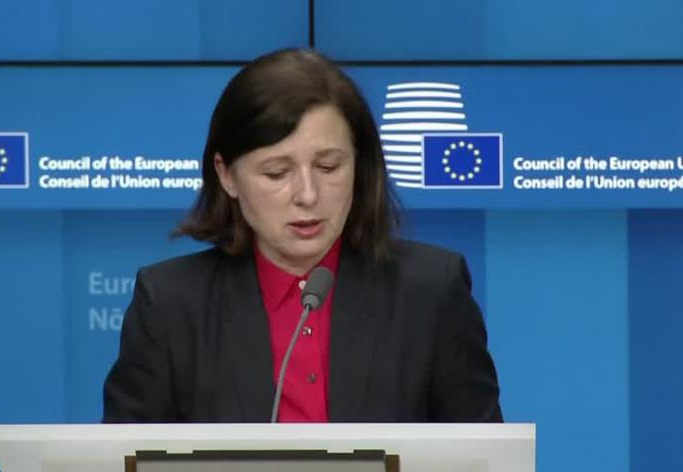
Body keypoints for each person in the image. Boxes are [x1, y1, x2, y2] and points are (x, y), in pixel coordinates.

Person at [102, 48, 502, 423]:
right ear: (226, 175)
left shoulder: (431, 293)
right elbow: (122, 457)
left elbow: (483, 456)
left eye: (329, 167)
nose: (308, 195)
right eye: (277, 173)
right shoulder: (170, 305)